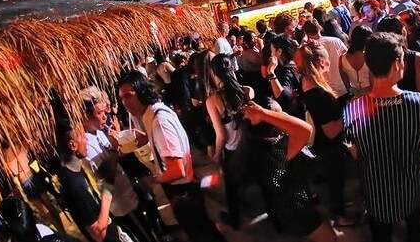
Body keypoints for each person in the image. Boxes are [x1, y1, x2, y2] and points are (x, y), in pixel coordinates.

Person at [343, 32, 420, 242]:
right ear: (397, 63)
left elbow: (355, 151)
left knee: (380, 234)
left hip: (375, 191)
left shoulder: (353, 109)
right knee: (415, 226)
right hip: (409, 186)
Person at [117, 71, 226, 242]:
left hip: (183, 193)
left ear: (142, 91)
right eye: (122, 98)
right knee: (206, 232)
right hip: (187, 188)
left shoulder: (159, 122)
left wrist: (153, 180)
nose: (125, 103)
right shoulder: (155, 112)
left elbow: (177, 170)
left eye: (128, 96)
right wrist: (146, 138)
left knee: (202, 235)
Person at [242, 98, 337, 241]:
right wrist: (263, 113)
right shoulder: (277, 151)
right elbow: (305, 130)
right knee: (330, 238)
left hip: (283, 207)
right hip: (295, 210)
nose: (285, 115)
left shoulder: (255, 146)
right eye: (280, 115)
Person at [80, 88, 158, 242]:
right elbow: (104, 177)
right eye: (99, 112)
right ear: (86, 116)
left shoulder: (100, 132)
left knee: (150, 229)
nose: (105, 115)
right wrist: (116, 150)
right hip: (122, 205)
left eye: (104, 111)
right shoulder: (86, 144)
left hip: (129, 193)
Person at [296, 41, 353, 226]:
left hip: (320, 146)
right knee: (336, 182)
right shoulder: (319, 94)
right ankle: (339, 216)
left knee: (334, 181)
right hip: (329, 147)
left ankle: (339, 208)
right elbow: (332, 131)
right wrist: (349, 111)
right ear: (320, 62)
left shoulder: (305, 82)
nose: (330, 63)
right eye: (328, 59)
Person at [206, 54, 251, 230]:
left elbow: (221, 135)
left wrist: (217, 154)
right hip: (250, 143)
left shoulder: (213, 100)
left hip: (233, 150)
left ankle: (235, 219)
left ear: (214, 73)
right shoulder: (246, 91)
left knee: (231, 187)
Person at [56, 125, 122, 242]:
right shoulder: (74, 185)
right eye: (82, 136)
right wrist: (107, 194)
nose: (86, 140)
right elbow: (98, 233)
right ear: (73, 145)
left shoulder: (76, 169)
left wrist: (114, 151)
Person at [376, 17, 420, 94]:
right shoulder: (416, 58)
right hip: (412, 104)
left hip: (386, 104)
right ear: (402, 33)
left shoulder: (375, 59)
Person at [302, 20, 348, 99]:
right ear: (319, 27)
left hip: (326, 92)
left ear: (306, 33)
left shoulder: (308, 50)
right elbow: (347, 59)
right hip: (342, 86)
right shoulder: (336, 41)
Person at [262, 34, 304, 118]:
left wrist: (271, 72)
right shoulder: (290, 64)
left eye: (272, 51)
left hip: (294, 115)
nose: (271, 54)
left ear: (279, 51)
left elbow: (284, 98)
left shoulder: (287, 70)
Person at [340, 25, 373, 97]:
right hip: (370, 95)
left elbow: (345, 81)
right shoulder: (370, 57)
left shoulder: (342, 58)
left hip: (355, 95)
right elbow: (373, 82)